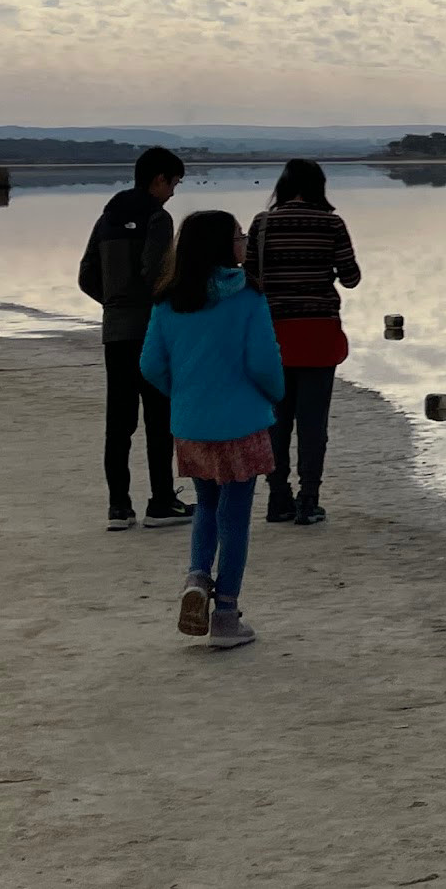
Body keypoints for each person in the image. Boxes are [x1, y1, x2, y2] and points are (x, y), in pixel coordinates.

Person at [139, 210, 283, 650]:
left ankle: (197, 577)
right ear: (225, 245)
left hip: (192, 423)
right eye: (239, 235)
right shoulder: (247, 296)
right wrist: (274, 394)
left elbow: (150, 365)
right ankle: (225, 615)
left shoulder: (168, 299)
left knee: (206, 504)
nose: (244, 242)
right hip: (242, 422)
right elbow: (264, 363)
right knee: (235, 517)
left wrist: (185, 393)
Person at [78, 147, 193, 531]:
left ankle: (118, 507)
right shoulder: (158, 219)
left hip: (116, 332)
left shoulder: (106, 219)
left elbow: (86, 276)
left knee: (119, 421)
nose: (174, 192)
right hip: (152, 331)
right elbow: (155, 273)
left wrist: (114, 303)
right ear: (158, 180)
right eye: (174, 183)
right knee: (159, 419)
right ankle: (161, 502)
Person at [244, 159, 361, 525]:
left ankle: (278, 498)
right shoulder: (332, 223)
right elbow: (351, 277)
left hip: (272, 333)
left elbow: (248, 276)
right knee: (313, 423)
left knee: (274, 421)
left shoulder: (262, 224)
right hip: (318, 333)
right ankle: (309, 500)